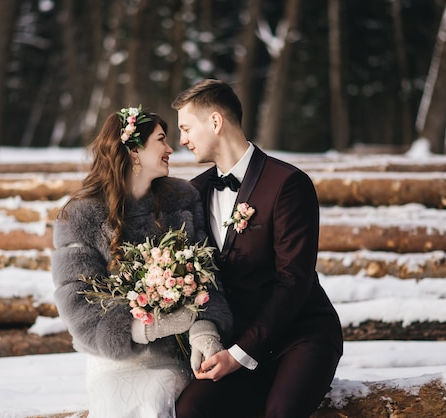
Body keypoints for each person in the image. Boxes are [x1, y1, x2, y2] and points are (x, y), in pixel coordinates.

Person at [173, 80, 344, 418]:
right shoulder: (193, 192)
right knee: (190, 409)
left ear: (216, 122)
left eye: (186, 128)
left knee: (280, 413)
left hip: (300, 335)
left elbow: (294, 281)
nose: (182, 140)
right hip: (234, 340)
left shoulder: (287, 184)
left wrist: (240, 353)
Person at [51, 106, 232, 418]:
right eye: (161, 139)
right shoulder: (82, 215)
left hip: (175, 356)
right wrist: (151, 327)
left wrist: (204, 328)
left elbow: (208, 273)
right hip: (117, 359)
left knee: (168, 390)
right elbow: (78, 307)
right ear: (134, 150)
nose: (170, 148)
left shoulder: (182, 199)